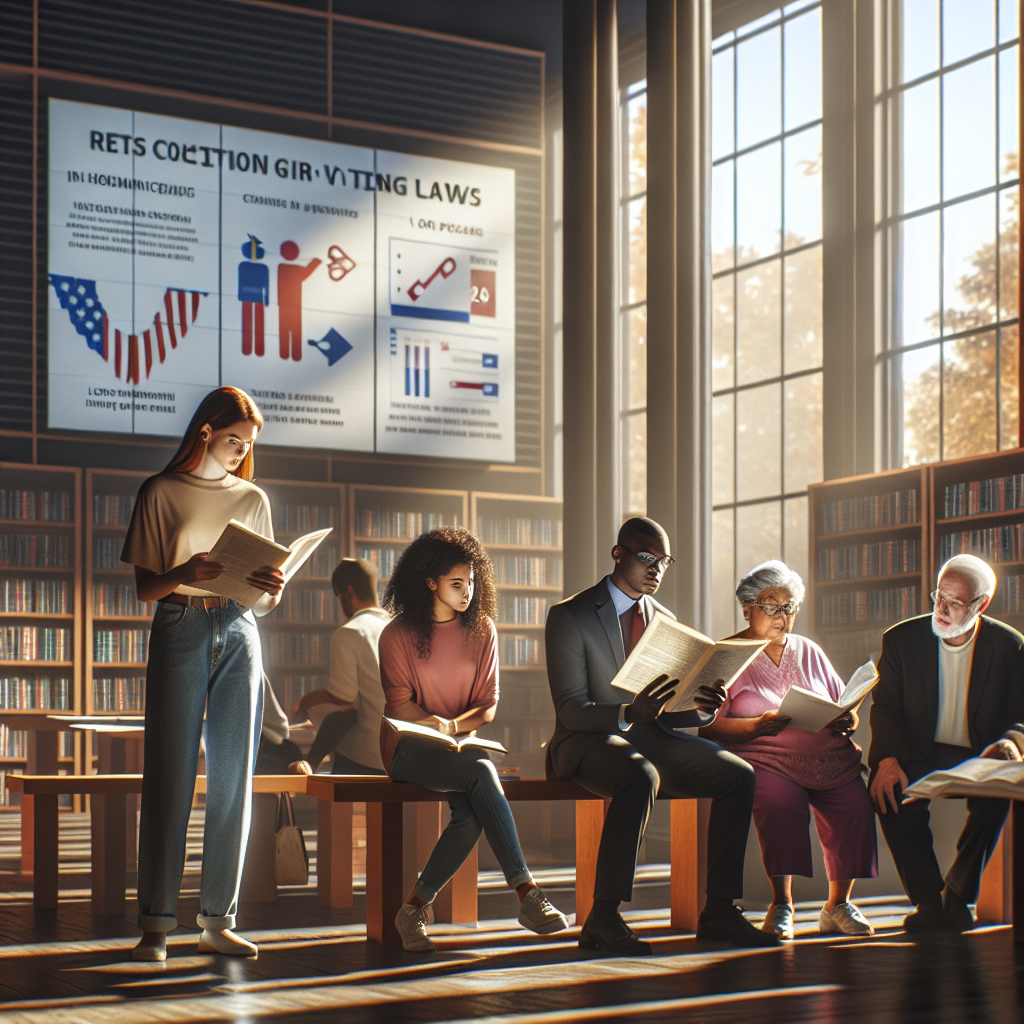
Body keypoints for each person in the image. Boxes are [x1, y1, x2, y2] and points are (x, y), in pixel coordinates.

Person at [545, 516, 779, 955]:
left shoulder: (664, 619)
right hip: (587, 743)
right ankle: (603, 917)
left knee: (738, 775)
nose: (656, 569)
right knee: (639, 777)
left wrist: (704, 708)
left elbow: (670, 714)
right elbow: (570, 710)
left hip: (653, 737)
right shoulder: (570, 615)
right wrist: (629, 712)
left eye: (664, 561)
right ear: (619, 554)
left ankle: (720, 912)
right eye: (647, 558)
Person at [121, 386, 285, 961]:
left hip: (240, 629)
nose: (242, 451)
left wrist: (270, 591)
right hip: (180, 624)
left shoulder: (253, 498)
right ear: (207, 431)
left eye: (250, 443)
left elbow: (261, 603)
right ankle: (155, 927)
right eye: (235, 439)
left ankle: (218, 920)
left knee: (234, 782)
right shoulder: (160, 492)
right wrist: (187, 569)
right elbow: (146, 588)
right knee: (168, 778)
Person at [378, 527, 569, 952]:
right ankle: (527, 894)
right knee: (483, 773)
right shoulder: (396, 634)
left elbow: (487, 707)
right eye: (457, 583)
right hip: (407, 747)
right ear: (431, 583)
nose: (468, 592)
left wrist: (452, 730)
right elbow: (400, 706)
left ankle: (412, 909)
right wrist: (443, 727)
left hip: (456, 748)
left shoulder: (482, 630)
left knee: (470, 814)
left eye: (472, 582)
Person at [699, 560, 877, 940]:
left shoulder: (808, 649)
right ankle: (782, 905)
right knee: (780, 805)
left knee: (856, 805)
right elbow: (708, 725)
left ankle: (838, 905)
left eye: (789, 607)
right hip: (765, 758)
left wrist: (851, 720)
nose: (783, 617)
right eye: (772, 605)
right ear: (747, 608)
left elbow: (844, 701)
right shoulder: (726, 655)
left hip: (828, 755)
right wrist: (755, 725)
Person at [869, 553, 1024, 934]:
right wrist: (887, 758)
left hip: (980, 753)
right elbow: (885, 708)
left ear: (981, 604)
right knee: (887, 792)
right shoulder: (901, 640)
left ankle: (958, 895)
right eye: (939, 596)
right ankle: (927, 902)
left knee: (1000, 793)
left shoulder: (1010, 647)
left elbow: (1020, 713)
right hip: (920, 750)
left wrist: (1010, 742)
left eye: (955, 602)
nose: (941, 608)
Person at [290, 558, 389, 774]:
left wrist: (306, 702)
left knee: (343, 716)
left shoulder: (349, 632)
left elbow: (342, 696)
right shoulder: (399, 629)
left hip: (372, 755)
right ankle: (311, 764)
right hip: (406, 751)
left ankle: (310, 766)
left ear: (349, 593)